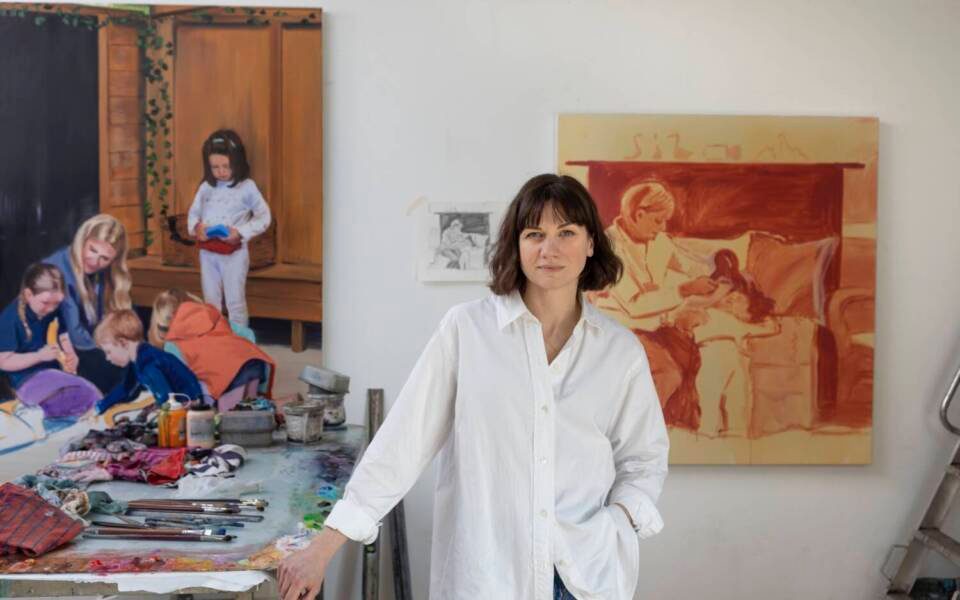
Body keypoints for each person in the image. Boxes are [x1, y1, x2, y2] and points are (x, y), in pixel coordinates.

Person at [278, 174, 669, 600]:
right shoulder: (466, 330)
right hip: (488, 577)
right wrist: (323, 547)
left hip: (585, 576)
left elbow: (644, 458)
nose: (549, 249)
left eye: (566, 233)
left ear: (591, 243)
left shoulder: (619, 351)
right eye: (534, 234)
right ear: (516, 244)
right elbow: (402, 443)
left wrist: (622, 518)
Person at [589, 180, 719, 430]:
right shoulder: (609, 248)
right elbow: (635, 306)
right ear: (639, 214)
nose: (663, 228)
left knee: (691, 361)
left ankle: (679, 430)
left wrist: (720, 263)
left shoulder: (659, 241)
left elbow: (692, 265)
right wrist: (685, 289)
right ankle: (636, 433)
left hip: (653, 326)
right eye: (659, 220)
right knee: (667, 374)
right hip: (620, 330)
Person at [187, 129, 272, 327]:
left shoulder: (247, 187)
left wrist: (240, 233)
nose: (221, 172)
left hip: (235, 254)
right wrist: (197, 228)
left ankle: (240, 339)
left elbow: (264, 217)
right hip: (208, 253)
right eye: (215, 167)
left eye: (226, 166)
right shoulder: (206, 187)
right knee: (211, 301)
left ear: (237, 162)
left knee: (235, 301)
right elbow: (193, 214)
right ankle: (216, 337)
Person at [43, 213, 132, 394]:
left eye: (105, 258)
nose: (94, 261)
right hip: (56, 351)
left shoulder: (103, 273)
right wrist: (108, 350)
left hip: (85, 345)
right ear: (82, 240)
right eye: (92, 250)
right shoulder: (56, 271)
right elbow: (75, 332)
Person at [0, 263, 100, 420]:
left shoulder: (53, 308)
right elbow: (4, 362)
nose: (51, 309)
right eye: (45, 303)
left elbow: (63, 335)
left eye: (57, 303)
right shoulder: (10, 319)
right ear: (28, 294)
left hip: (53, 372)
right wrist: (39, 356)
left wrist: (70, 354)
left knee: (91, 395)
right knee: (79, 399)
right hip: (25, 380)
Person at [149, 289, 275, 412]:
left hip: (229, 377)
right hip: (253, 361)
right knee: (252, 410)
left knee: (228, 417)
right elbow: (248, 333)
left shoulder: (172, 343)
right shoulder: (210, 315)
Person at [93, 309, 203, 414]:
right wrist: (100, 407)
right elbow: (125, 388)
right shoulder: (139, 359)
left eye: (108, 352)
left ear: (123, 343)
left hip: (190, 407)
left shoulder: (148, 364)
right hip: (178, 405)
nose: (107, 358)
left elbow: (165, 399)